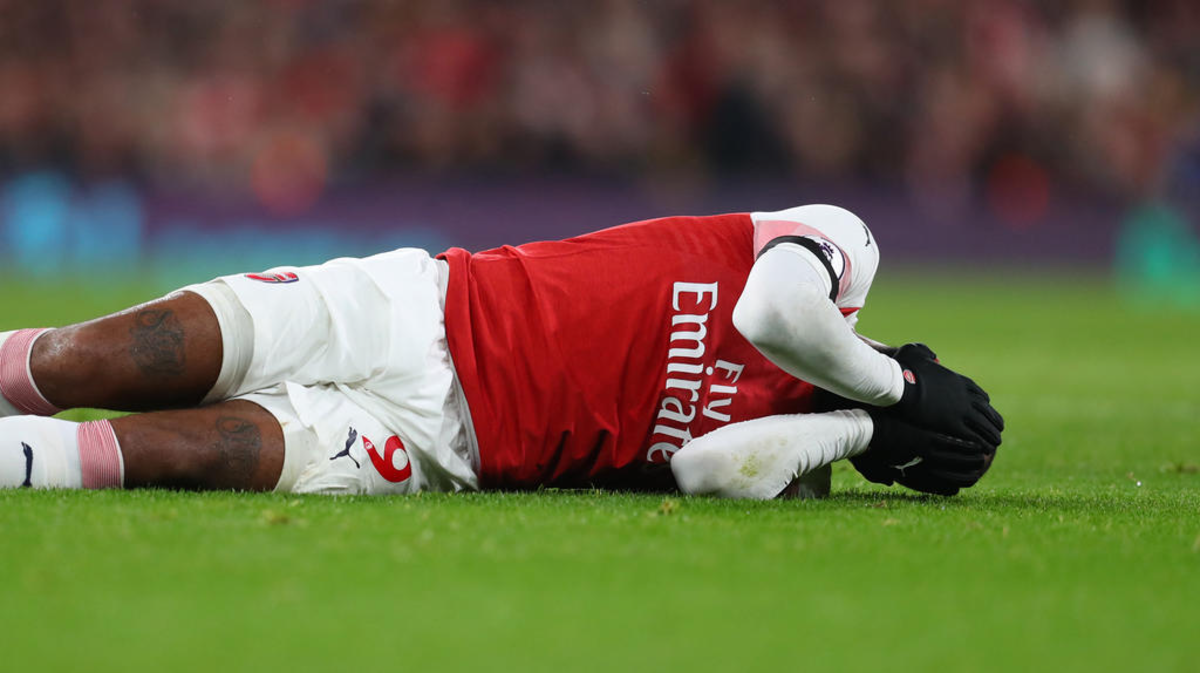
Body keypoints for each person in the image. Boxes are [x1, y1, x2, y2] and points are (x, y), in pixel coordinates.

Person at [0, 205, 1003, 499]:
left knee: (178, 455)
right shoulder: (838, 252)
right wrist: (892, 386)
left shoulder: (799, 452)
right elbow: (776, 312)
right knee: (108, 357)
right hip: (424, 306)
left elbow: (707, 471)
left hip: (445, 447)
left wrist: (857, 424)